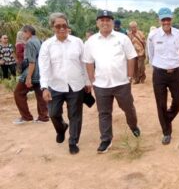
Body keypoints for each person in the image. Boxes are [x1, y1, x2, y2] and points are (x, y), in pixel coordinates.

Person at [83, 10, 141, 154]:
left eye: (108, 20)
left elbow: (131, 57)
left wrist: (129, 76)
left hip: (122, 83)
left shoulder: (122, 38)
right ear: (97, 23)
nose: (105, 22)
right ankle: (106, 139)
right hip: (101, 85)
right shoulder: (91, 41)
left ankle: (133, 126)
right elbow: (88, 61)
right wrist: (91, 78)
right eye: (101, 20)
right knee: (104, 113)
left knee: (128, 108)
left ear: (113, 22)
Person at [39, 12, 91, 155]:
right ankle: (61, 128)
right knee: (53, 113)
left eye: (64, 25)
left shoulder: (78, 42)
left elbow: (84, 63)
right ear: (53, 27)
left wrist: (87, 81)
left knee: (75, 115)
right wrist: (44, 87)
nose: (62, 28)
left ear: (68, 26)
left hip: (76, 85)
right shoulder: (47, 45)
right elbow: (44, 67)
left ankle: (73, 141)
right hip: (55, 86)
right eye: (58, 26)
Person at [147, 7, 179, 145]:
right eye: (163, 19)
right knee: (161, 103)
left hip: (175, 72)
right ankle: (166, 132)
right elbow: (150, 53)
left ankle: (167, 118)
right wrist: (155, 67)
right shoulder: (153, 35)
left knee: (178, 99)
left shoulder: (178, 34)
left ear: (171, 19)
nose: (166, 22)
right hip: (159, 74)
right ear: (159, 20)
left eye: (168, 19)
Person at [13, 25, 49, 124]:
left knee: (18, 93)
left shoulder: (29, 43)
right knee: (40, 93)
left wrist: (28, 77)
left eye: (24, 33)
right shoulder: (40, 41)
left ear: (28, 32)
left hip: (32, 72)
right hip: (41, 71)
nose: (23, 35)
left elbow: (31, 62)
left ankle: (26, 117)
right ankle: (43, 117)